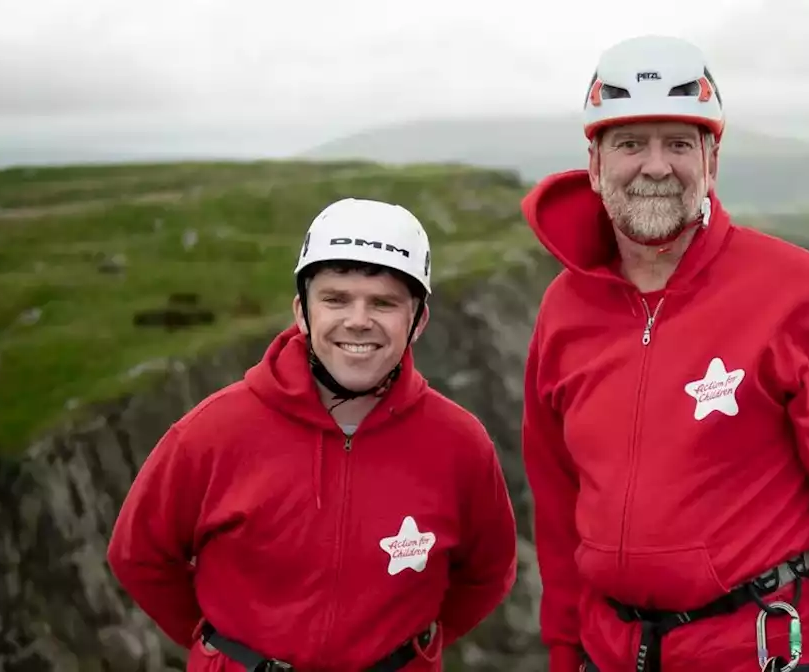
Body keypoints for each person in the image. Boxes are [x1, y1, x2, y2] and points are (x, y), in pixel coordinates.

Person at [519, 34, 809, 672]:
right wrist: (565, 648)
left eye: (680, 143)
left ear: (712, 160)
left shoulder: (798, 291)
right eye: (629, 144)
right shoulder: (562, 309)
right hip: (607, 651)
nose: (656, 167)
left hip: (758, 651)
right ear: (594, 164)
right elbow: (556, 498)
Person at [108, 197, 519, 672]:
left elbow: (486, 575)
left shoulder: (460, 443)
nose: (359, 320)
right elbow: (139, 556)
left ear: (418, 320)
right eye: (336, 299)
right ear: (302, 312)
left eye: (383, 302)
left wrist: (407, 652)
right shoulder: (212, 432)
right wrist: (223, 652)